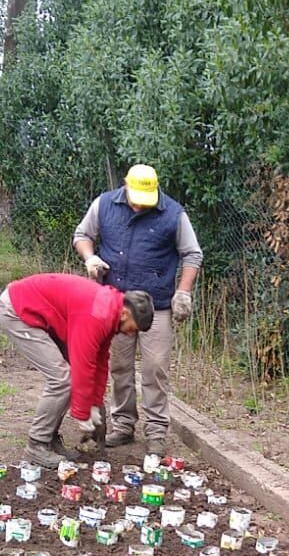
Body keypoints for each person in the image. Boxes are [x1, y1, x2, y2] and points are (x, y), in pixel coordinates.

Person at [73, 163, 203, 447]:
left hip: (157, 306)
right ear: (125, 185)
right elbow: (82, 236)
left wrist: (183, 292)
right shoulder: (104, 204)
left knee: (155, 368)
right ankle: (123, 425)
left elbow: (192, 254)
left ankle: (156, 431)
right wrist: (90, 258)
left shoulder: (173, 213)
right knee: (119, 366)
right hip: (116, 304)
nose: (141, 206)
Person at [0, 274, 154, 467]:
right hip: (18, 309)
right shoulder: (96, 315)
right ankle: (36, 445)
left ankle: (49, 439)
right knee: (62, 379)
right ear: (126, 314)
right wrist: (83, 414)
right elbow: (82, 364)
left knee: (68, 378)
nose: (132, 333)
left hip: (41, 313)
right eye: (134, 328)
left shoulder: (110, 312)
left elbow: (100, 362)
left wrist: (95, 404)